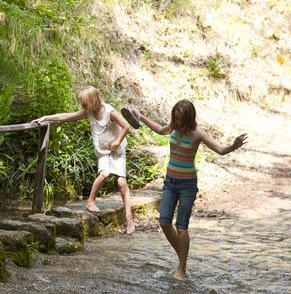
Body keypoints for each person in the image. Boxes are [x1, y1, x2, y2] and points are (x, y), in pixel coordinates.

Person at [124, 100, 247, 279]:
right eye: (176, 118)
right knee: (164, 222)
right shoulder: (174, 127)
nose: (178, 123)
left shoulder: (198, 134)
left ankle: (181, 268)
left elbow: (220, 149)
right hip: (170, 182)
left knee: (181, 228)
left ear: (189, 118)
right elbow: (159, 129)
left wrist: (233, 146)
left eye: (181, 119)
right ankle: (183, 257)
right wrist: (140, 117)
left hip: (187, 185)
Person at [33, 87, 135, 234]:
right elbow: (67, 116)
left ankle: (129, 218)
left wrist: (118, 141)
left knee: (121, 182)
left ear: (94, 101)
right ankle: (90, 201)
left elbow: (126, 126)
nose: (83, 107)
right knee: (104, 174)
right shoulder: (89, 113)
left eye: (85, 104)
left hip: (116, 150)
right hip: (102, 151)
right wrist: (47, 117)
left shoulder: (109, 112)